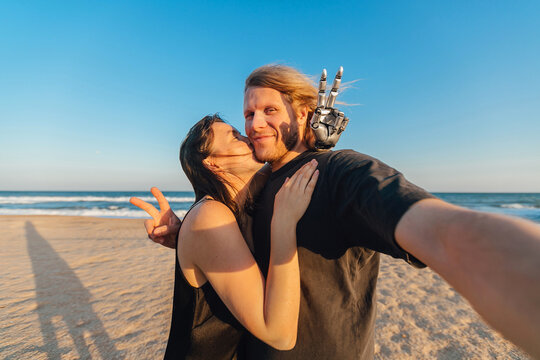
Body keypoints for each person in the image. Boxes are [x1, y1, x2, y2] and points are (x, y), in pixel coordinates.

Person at [141, 65, 540, 359]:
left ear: (302, 114)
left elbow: (441, 231)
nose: (254, 125)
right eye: (247, 115)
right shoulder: (250, 193)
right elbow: (232, 251)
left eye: (269, 111)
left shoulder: (337, 172)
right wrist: (188, 241)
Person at [131, 114, 319, 358]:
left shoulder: (235, 205)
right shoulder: (210, 215)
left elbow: (284, 161)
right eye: (235, 136)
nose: (248, 136)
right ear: (212, 163)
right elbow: (279, 334)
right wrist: (284, 222)